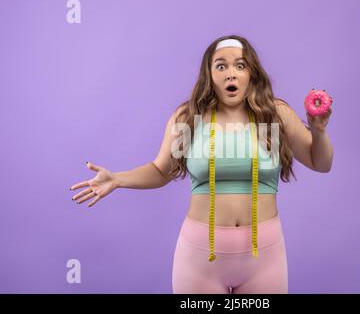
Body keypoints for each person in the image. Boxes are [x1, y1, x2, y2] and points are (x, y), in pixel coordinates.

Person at [69, 35, 333, 294]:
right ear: (210, 75)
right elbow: (161, 170)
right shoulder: (189, 118)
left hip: (265, 256)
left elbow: (320, 163)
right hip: (199, 257)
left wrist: (319, 131)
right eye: (221, 66)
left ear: (251, 73)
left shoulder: (276, 114)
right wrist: (118, 179)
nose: (231, 73)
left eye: (240, 65)